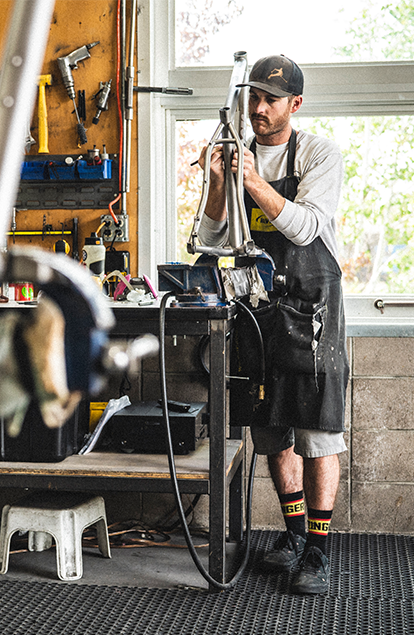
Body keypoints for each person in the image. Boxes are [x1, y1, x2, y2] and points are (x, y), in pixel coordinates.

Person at [197, 54, 349, 595]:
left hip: (312, 309)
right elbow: (211, 241)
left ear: (295, 104)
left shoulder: (318, 154)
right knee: (271, 433)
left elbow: (307, 228)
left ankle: (318, 549)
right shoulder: (231, 154)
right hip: (255, 311)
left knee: (316, 434)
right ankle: (290, 535)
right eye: (253, 97)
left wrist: (252, 180)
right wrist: (219, 182)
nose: (260, 108)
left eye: (271, 99)